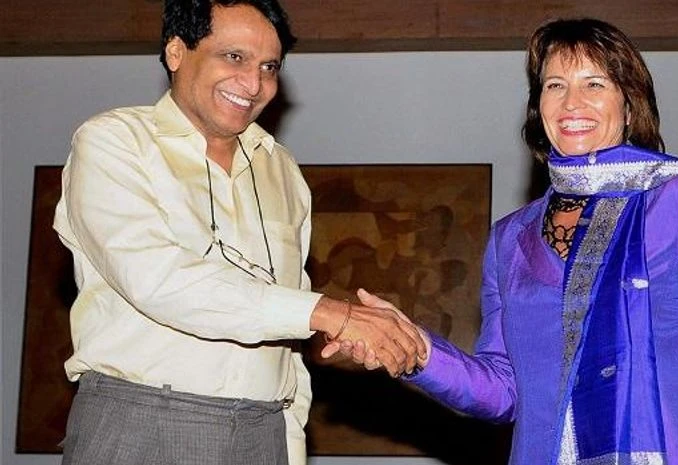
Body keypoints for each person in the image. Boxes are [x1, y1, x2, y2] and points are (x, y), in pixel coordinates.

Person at [331, 17, 678, 465]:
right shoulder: (511, 238)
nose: (572, 103)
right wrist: (417, 349)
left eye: (595, 84)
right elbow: (505, 393)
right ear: (539, 106)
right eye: (555, 85)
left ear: (630, 105)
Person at [52, 1, 425, 464]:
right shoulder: (113, 142)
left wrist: (288, 445)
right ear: (175, 51)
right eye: (234, 57)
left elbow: (286, 347)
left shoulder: (283, 170)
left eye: (269, 66)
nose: (254, 84)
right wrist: (330, 314)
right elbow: (158, 279)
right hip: (142, 423)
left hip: (262, 431)